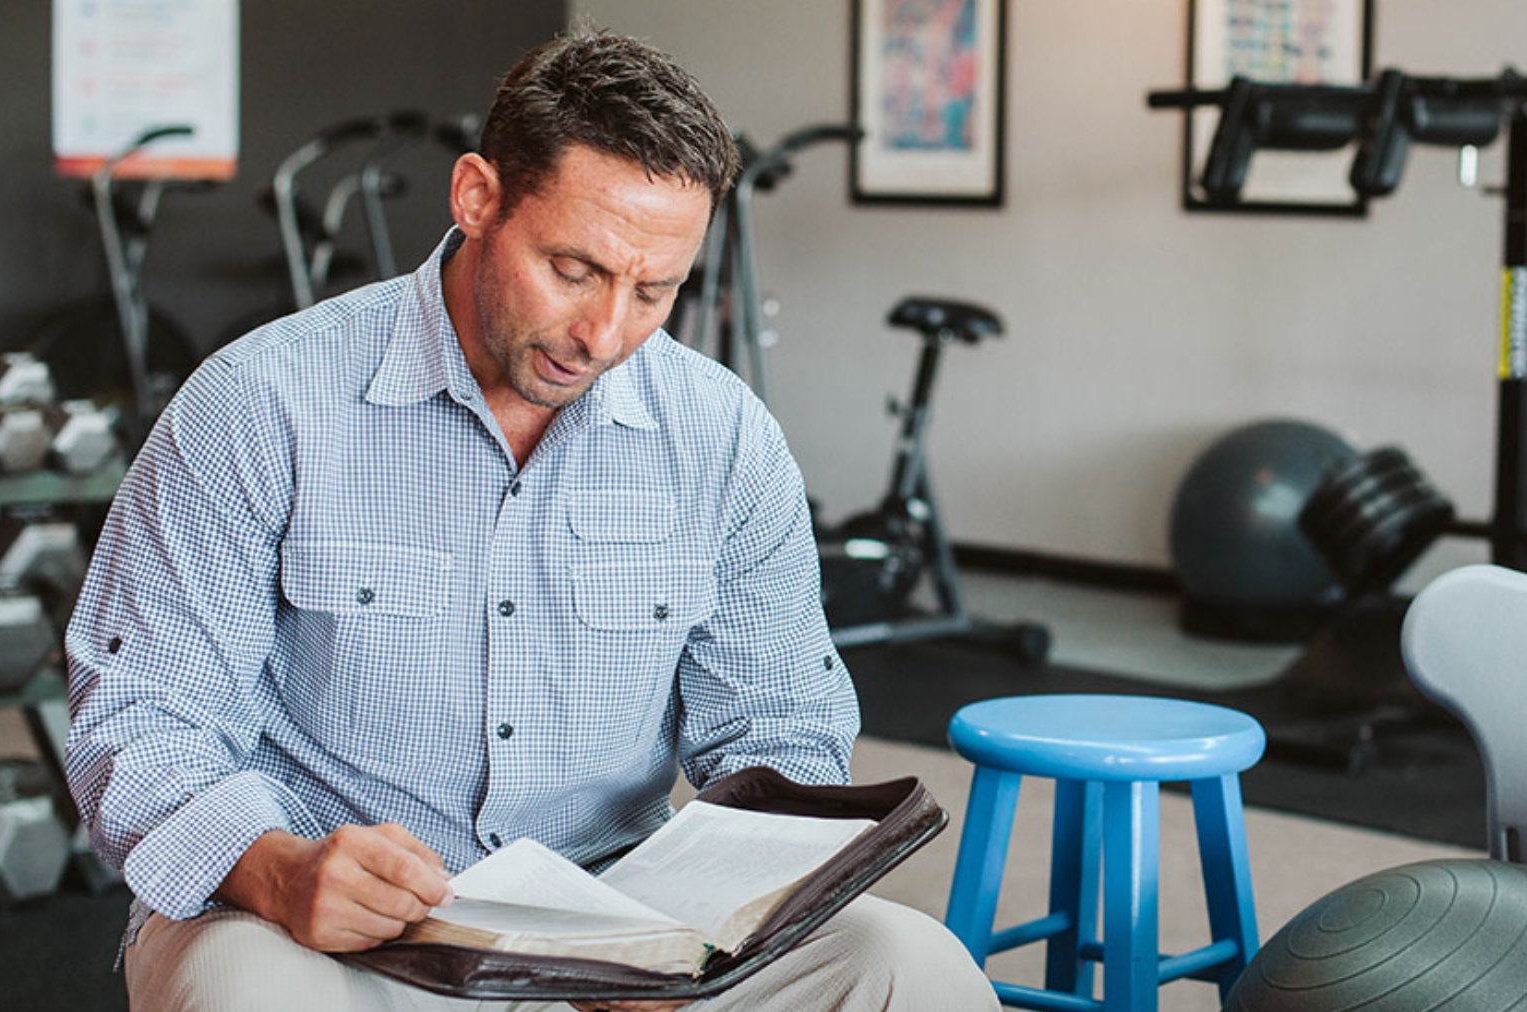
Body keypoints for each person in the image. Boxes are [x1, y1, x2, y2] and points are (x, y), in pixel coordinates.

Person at [63, 28, 1000, 1012]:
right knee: (243, 992)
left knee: (910, 964)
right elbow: (140, 716)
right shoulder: (259, 404)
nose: (604, 334)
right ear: (477, 198)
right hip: (323, 928)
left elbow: (779, 728)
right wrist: (277, 870)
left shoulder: (723, 437)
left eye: (653, 291)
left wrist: (711, 932)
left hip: (615, 918)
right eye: (573, 269)